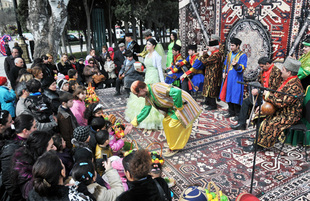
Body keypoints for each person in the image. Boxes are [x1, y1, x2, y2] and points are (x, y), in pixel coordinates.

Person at [126, 81, 202, 157]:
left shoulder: (156, 87)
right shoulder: (148, 96)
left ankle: (175, 148)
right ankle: (172, 142)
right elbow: (146, 109)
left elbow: (177, 91)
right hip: (174, 106)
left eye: (137, 94)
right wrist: (133, 123)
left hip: (183, 103)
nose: (138, 96)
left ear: (141, 89)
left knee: (173, 125)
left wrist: (178, 107)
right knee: (165, 121)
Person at [257, 57, 304, 148]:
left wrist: (268, 95)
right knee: (259, 114)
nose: (281, 71)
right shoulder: (287, 81)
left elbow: (281, 102)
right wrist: (264, 104)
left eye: (283, 69)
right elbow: (277, 97)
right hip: (282, 110)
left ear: (289, 73)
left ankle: (260, 145)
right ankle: (260, 138)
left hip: (289, 115)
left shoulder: (295, 86)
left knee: (269, 123)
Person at [231, 57, 282, 130]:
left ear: (267, 64)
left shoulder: (277, 72)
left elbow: (275, 88)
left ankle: (259, 132)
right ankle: (241, 123)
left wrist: (259, 91)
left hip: (271, 96)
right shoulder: (262, 71)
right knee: (246, 102)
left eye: (262, 66)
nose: (261, 68)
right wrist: (256, 88)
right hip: (262, 94)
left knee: (261, 111)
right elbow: (259, 82)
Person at [124, 38, 165, 129]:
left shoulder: (157, 56)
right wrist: (140, 70)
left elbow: (159, 70)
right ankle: (140, 118)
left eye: (149, 44)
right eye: (146, 44)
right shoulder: (147, 55)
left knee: (152, 96)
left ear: (153, 46)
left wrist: (162, 83)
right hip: (147, 76)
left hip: (154, 77)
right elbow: (147, 68)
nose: (147, 46)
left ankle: (155, 120)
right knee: (144, 95)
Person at [11, 131, 57, 200]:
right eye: (51, 146)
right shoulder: (30, 179)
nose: (55, 148)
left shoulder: (37, 162)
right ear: (41, 150)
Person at [1, 114, 37, 200]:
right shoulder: (12, 150)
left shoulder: (28, 142)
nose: (36, 129)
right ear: (25, 131)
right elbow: (9, 181)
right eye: (34, 127)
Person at [219, 37, 248, 118]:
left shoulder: (243, 55)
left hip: (237, 78)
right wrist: (224, 72)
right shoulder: (229, 54)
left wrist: (236, 65)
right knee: (228, 94)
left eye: (233, 45)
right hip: (229, 78)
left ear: (238, 46)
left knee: (236, 96)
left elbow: (242, 68)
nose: (231, 47)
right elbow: (226, 65)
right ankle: (231, 112)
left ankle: (238, 114)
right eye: (230, 45)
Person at [200, 40, 225, 110]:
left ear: (214, 47)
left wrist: (201, 56)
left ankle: (213, 105)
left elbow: (205, 61)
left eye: (210, 47)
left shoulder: (216, 54)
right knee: (207, 87)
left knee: (211, 89)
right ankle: (207, 101)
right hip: (209, 73)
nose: (208, 48)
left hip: (213, 74)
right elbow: (206, 57)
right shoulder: (212, 53)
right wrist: (205, 54)